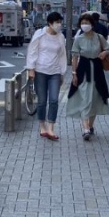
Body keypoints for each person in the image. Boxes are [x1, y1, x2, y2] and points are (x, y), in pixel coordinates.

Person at [66, 12, 109, 141]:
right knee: (85, 98)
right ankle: (85, 128)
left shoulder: (99, 37)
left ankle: (90, 126)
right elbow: (74, 57)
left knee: (95, 98)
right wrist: (74, 74)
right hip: (83, 70)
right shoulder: (78, 39)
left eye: (87, 23)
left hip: (97, 70)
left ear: (92, 24)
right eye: (82, 23)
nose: (84, 25)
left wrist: (104, 53)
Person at [26, 11, 67, 141]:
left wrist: (62, 72)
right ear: (50, 23)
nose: (59, 25)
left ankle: (51, 128)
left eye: (60, 22)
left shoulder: (61, 37)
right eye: (57, 22)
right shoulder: (40, 34)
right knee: (42, 101)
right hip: (40, 70)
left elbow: (62, 55)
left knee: (54, 100)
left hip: (55, 71)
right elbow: (32, 51)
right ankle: (42, 126)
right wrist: (31, 69)